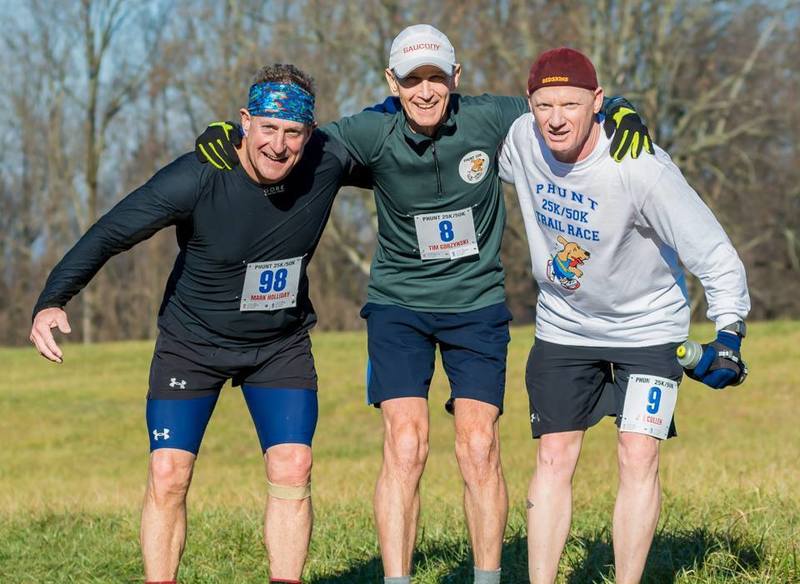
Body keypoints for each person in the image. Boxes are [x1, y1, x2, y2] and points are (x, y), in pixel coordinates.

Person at [196, 25, 652, 584]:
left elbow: (565, 105)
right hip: (399, 307)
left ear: (455, 78)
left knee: (479, 446)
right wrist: (226, 132)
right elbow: (292, 142)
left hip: (476, 306)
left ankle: (487, 578)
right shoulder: (370, 130)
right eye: (413, 79)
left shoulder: (490, 117)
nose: (426, 90)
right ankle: (398, 579)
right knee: (406, 444)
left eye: (437, 77)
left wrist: (624, 110)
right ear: (393, 82)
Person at [29, 64, 369, 584]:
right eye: (268, 129)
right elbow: (109, 232)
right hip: (192, 346)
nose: (278, 146)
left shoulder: (327, 160)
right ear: (244, 123)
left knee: (293, 467)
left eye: (293, 133)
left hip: (278, 347)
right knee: (168, 475)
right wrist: (53, 299)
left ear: (310, 133)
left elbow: (397, 142)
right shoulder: (198, 174)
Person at [497, 48, 750, 583]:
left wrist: (729, 333)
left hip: (648, 330)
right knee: (553, 458)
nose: (557, 118)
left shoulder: (640, 165)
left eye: (571, 103)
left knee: (638, 457)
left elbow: (715, 254)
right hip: (563, 328)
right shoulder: (521, 140)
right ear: (529, 104)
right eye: (544, 104)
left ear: (597, 101)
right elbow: (458, 123)